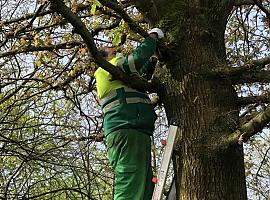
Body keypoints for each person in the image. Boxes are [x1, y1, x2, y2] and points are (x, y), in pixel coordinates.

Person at [94, 28, 164, 200]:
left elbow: (141, 74)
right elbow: (135, 61)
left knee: (145, 186)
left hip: (134, 130)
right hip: (126, 129)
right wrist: (152, 37)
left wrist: (154, 57)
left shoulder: (120, 76)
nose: (117, 51)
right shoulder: (108, 69)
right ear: (105, 58)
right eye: (113, 51)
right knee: (130, 184)